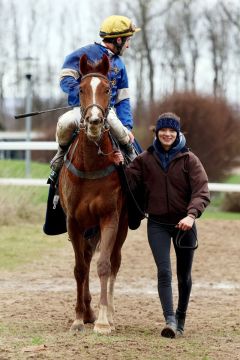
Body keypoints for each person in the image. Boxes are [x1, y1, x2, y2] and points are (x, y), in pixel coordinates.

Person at [114, 112, 210, 338]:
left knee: (183, 275)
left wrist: (191, 215)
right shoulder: (146, 159)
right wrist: (119, 167)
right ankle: (169, 321)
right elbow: (129, 183)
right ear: (156, 133)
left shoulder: (189, 160)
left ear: (177, 134)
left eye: (171, 131)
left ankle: (181, 317)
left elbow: (202, 191)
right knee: (164, 272)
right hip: (156, 223)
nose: (167, 134)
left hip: (184, 224)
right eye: (163, 130)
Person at [49, 15, 141, 184]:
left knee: (122, 133)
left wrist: (127, 126)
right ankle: (60, 156)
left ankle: (132, 159)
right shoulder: (81, 54)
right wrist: (85, 95)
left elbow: (123, 99)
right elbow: (65, 79)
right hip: (82, 109)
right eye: (128, 40)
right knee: (64, 123)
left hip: (108, 112)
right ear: (118, 40)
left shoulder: (120, 64)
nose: (128, 45)